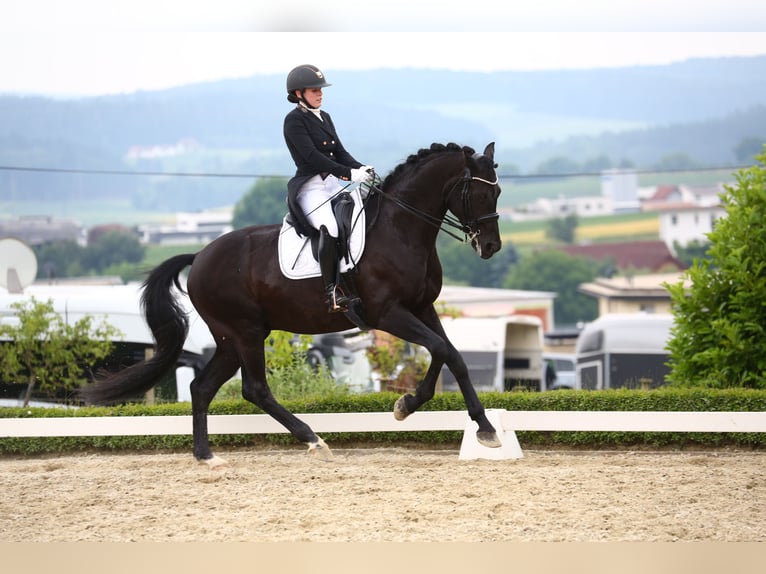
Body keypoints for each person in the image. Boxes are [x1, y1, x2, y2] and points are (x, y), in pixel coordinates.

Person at [283, 64, 373, 313]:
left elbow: (340, 153)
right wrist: (348, 174)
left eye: (320, 90)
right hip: (311, 188)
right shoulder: (294, 121)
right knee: (330, 227)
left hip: (332, 184)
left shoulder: (324, 117)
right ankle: (332, 291)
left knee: (361, 217)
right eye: (314, 90)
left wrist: (361, 168)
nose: (320, 94)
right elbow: (313, 157)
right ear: (299, 93)